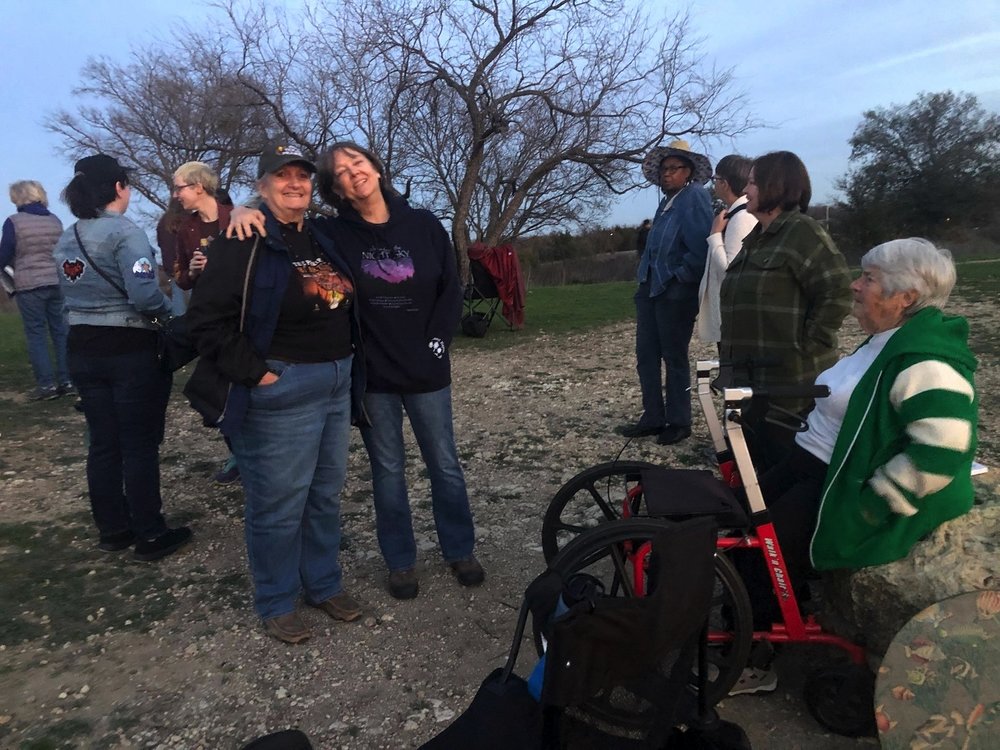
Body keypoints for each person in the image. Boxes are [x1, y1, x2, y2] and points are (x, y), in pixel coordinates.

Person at [229, 141, 484, 601]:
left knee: (444, 464)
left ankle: (459, 548)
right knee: (387, 469)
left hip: (426, 368)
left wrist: (437, 341)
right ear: (336, 190)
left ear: (377, 168)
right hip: (372, 374)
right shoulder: (333, 234)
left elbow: (452, 286)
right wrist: (239, 211)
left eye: (358, 164)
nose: (353, 174)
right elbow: (284, 208)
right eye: (341, 173)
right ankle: (400, 561)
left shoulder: (424, 224)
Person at [733, 238, 977, 696]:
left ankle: (756, 659)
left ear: (906, 296)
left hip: (834, 479)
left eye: (869, 278)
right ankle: (753, 617)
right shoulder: (885, 341)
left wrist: (877, 501)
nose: (855, 285)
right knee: (736, 520)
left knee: (761, 549)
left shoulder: (925, 361)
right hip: (809, 459)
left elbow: (943, 450)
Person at [185, 141, 363, 643]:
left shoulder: (322, 236)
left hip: (335, 381)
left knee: (324, 495)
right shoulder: (243, 239)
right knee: (279, 503)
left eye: (302, 176)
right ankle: (277, 600)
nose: (294, 184)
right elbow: (204, 322)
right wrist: (260, 375)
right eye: (281, 177)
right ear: (262, 186)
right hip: (282, 388)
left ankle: (323, 584)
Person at [52, 154, 192, 561]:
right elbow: (144, 294)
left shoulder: (67, 236)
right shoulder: (127, 234)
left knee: (103, 442)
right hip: (128, 348)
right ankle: (150, 532)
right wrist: (168, 312)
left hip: (81, 345)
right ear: (118, 187)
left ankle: (113, 528)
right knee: (139, 444)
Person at [718, 151, 852, 470]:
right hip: (750, 380)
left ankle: (780, 520)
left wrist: (807, 346)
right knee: (752, 462)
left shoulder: (802, 232)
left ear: (774, 186)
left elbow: (838, 290)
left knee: (781, 465)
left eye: (752, 183)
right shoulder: (757, 238)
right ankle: (755, 518)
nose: (746, 190)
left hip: (787, 385)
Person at [618, 140, 713, 445]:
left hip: (675, 294)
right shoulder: (666, 204)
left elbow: (700, 248)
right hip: (649, 290)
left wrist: (678, 279)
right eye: (663, 170)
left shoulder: (694, 197)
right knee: (646, 355)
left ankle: (679, 420)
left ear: (688, 172)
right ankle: (653, 417)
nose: (666, 174)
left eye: (674, 169)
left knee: (674, 357)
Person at [169, 162, 239, 484]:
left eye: (179, 187)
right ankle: (237, 452)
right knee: (212, 392)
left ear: (199, 186)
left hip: (240, 318)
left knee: (238, 385)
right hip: (208, 319)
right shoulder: (186, 229)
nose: (175, 194)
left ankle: (247, 452)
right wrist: (195, 272)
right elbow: (180, 278)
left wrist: (222, 265)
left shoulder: (238, 217)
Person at [1, 180, 72, 400]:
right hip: (57, 281)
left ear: (18, 197)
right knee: (61, 332)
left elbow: (4, 255)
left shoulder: (14, 222)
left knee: (36, 335)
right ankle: (67, 381)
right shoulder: (54, 221)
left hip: (29, 283)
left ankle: (46, 385)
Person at [696, 156, 757, 347]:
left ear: (724, 184)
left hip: (733, 318)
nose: (714, 185)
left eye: (715, 180)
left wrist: (715, 235)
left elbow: (730, 269)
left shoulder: (741, 218)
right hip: (731, 316)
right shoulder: (736, 214)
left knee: (731, 370)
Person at [156, 198, 187, 316]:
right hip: (188, 269)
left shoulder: (163, 223)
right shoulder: (188, 220)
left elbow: (160, 243)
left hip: (172, 270)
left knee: (179, 310)